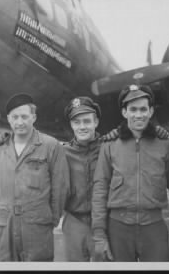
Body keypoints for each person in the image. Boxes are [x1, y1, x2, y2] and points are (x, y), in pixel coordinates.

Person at [91, 84, 169, 262]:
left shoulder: (165, 144)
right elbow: (100, 189)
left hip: (153, 226)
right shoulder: (109, 145)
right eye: (133, 109)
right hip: (118, 228)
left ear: (151, 111)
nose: (139, 115)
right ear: (124, 112)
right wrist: (99, 233)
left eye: (144, 109)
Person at [0, 93, 68, 261]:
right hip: (4, 226)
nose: (20, 122)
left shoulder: (51, 146)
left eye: (24, 116)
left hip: (37, 225)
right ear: (9, 119)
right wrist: (2, 212)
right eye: (15, 117)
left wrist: (50, 219)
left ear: (34, 117)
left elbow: (60, 187)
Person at [61, 96, 102, 261]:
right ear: (71, 124)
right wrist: (7, 138)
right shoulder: (61, 152)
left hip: (103, 222)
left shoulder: (109, 148)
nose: (82, 126)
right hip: (74, 221)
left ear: (96, 122)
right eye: (76, 122)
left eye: (87, 121)